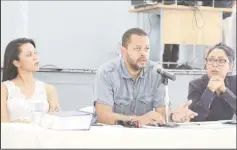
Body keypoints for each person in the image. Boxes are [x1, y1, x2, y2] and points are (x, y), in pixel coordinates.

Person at [94, 28, 197, 125]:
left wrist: (173, 116)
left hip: (144, 136)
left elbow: (161, 114)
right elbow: (103, 116)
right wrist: (138, 120)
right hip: (113, 136)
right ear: (123, 51)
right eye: (137, 49)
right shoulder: (107, 73)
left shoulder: (156, 72)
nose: (143, 53)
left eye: (146, 49)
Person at [1, 38, 60, 123]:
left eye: (35, 53)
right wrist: (24, 124)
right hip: (14, 135)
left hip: (42, 136)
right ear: (16, 63)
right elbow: (3, 125)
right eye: (29, 55)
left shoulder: (49, 89)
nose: (35, 58)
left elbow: (55, 122)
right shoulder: (4, 89)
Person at [188, 43, 236, 121]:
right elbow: (195, 117)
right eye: (210, 60)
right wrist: (209, 90)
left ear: (230, 67)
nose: (214, 64)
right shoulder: (195, 85)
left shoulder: (234, 82)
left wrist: (225, 91)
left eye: (221, 60)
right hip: (203, 130)